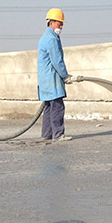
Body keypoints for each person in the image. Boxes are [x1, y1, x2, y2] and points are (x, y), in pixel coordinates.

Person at [37, 7, 73, 141]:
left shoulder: (45, 38)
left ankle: (46, 135)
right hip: (52, 79)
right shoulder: (52, 39)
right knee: (57, 107)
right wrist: (65, 76)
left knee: (48, 108)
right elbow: (57, 61)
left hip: (44, 80)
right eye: (59, 23)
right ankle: (58, 135)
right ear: (51, 22)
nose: (61, 26)